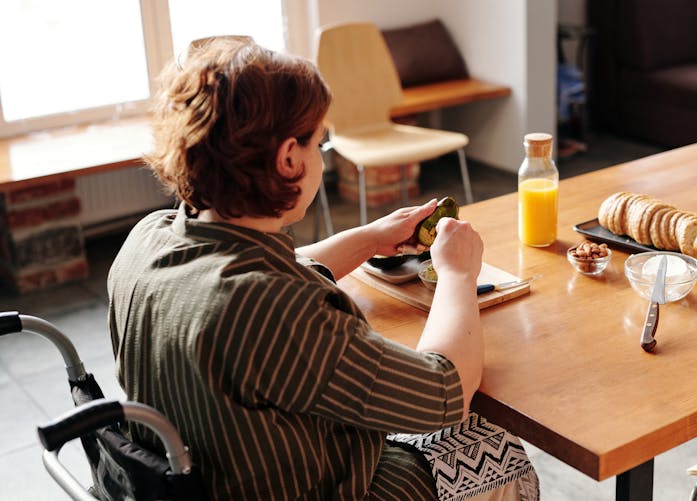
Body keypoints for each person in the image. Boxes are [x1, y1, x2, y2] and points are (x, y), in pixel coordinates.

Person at [108, 36, 538, 500]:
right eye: (318, 141)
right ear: (289, 158)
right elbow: (444, 394)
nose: (320, 153)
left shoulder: (149, 239)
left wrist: (372, 237)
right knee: (495, 445)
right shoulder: (276, 308)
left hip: (212, 475)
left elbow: (275, 270)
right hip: (312, 488)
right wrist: (456, 275)